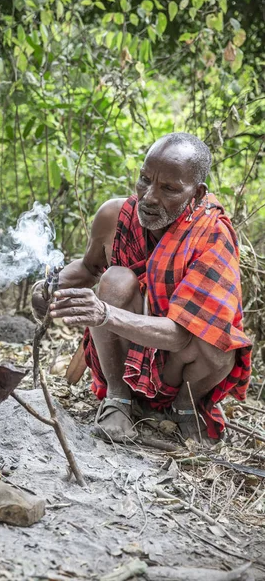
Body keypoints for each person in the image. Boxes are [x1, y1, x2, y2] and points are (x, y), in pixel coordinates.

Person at [32, 133, 252, 444]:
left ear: (197, 193)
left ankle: (185, 409)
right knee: (115, 279)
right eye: (144, 180)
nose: (149, 197)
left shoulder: (212, 236)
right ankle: (118, 401)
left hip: (178, 368)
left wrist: (104, 314)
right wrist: (50, 287)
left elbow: (180, 334)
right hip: (120, 362)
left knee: (219, 341)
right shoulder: (114, 216)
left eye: (169, 189)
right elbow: (88, 268)